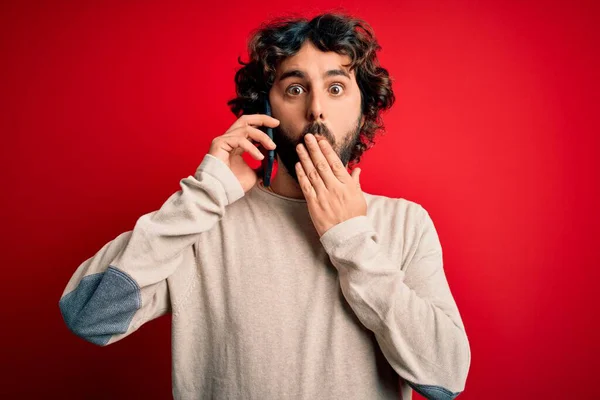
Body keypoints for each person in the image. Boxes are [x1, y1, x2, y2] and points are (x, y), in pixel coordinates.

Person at [58, 12, 471, 400]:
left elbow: (446, 379)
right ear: (264, 110)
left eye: (336, 87)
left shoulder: (406, 223)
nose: (316, 108)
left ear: (364, 112)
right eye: (295, 88)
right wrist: (204, 196)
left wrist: (351, 240)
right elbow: (88, 316)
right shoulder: (206, 222)